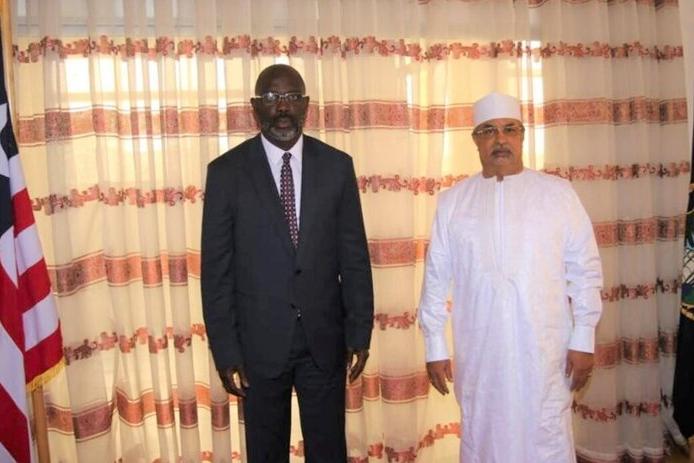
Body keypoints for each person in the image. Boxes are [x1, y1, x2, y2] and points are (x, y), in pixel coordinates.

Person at [201, 64, 373, 462]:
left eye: (292, 97)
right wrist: (226, 352)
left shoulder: (337, 166)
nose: (283, 108)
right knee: (265, 453)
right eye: (272, 98)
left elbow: (354, 257)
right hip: (258, 347)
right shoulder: (226, 173)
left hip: (323, 341)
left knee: (329, 451)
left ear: (306, 105)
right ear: (255, 106)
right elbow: (217, 273)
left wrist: (359, 331)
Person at [419, 92, 603, 462]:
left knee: (546, 435)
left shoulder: (558, 194)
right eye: (488, 130)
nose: (500, 139)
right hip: (481, 352)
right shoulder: (453, 202)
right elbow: (435, 279)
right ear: (475, 140)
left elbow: (585, 270)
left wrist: (584, 336)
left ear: (522, 136)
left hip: (545, 349)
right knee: (484, 435)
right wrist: (434, 346)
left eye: (509, 129)